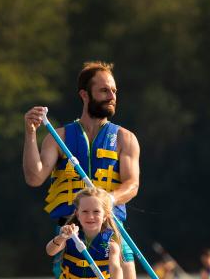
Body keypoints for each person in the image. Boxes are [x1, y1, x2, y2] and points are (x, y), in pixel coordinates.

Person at [23, 61, 141, 279]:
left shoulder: (126, 138)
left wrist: (109, 199)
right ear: (85, 95)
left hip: (111, 230)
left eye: (114, 91)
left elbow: (132, 184)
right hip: (70, 232)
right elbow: (34, 177)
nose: (112, 96)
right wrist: (30, 133)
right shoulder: (59, 137)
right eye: (104, 90)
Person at [46, 188, 123, 279]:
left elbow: (116, 269)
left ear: (105, 216)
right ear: (78, 214)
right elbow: (50, 251)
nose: (90, 217)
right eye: (85, 211)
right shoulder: (70, 236)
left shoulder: (111, 246)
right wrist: (62, 237)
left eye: (96, 212)